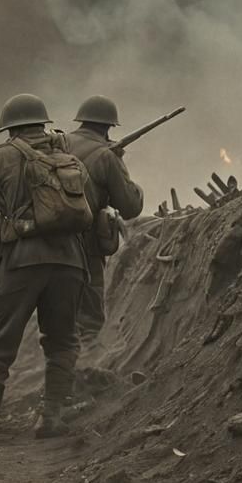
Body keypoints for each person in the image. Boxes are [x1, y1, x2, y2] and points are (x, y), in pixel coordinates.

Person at [0, 94, 88, 444]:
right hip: (69, 260)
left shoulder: (2, 155)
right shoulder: (68, 157)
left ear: (10, 128)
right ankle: (52, 418)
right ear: (43, 123)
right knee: (62, 340)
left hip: (21, 260)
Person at [66, 96, 144, 339]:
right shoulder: (106, 156)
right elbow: (130, 206)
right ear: (108, 126)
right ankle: (82, 371)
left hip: (46, 238)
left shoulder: (58, 144)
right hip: (85, 246)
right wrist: (118, 161)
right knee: (88, 322)